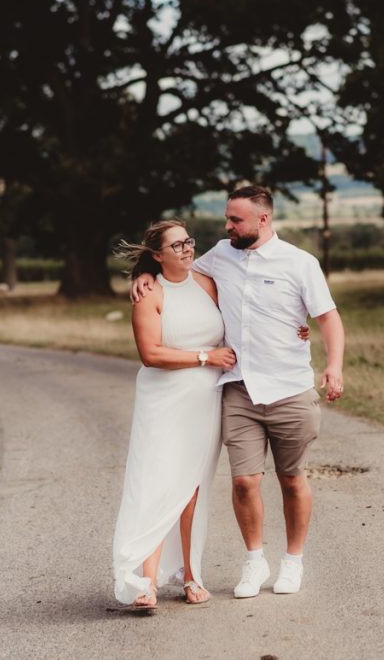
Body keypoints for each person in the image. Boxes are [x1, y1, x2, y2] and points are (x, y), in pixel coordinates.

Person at [132, 185, 345, 598]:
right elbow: (177, 270)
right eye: (228, 218)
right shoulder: (220, 255)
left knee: (292, 478)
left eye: (236, 220)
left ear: (263, 220)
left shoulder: (300, 263)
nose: (227, 226)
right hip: (239, 390)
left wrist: (333, 367)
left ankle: (293, 563)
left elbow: (328, 318)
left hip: (290, 389)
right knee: (244, 482)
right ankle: (254, 562)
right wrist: (144, 273)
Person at [112, 219, 309, 609]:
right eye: (177, 246)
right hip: (162, 399)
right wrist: (206, 356)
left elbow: (247, 316)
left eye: (189, 242)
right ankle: (144, 581)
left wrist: (294, 329)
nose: (187, 250)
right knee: (158, 483)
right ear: (157, 256)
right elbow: (150, 354)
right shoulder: (149, 292)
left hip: (205, 401)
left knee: (192, 489)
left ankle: (190, 575)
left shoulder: (207, 284)